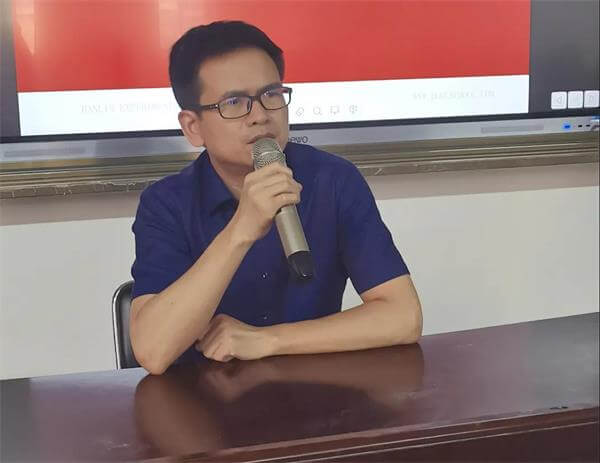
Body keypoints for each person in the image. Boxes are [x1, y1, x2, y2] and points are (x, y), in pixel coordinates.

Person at [130, 20, 422, 374]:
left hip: (314, 392)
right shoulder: (165, 204)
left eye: (271, 95)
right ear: (193, 127)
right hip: (205, 398)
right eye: (234, 102)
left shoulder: (333, 181)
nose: (260, 116)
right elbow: (153, 351)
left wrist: (268, 340)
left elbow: (402, 317)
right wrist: (241, 230)